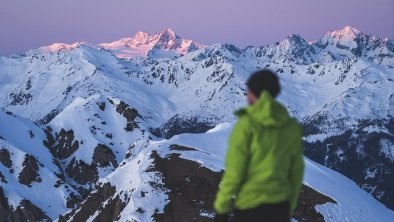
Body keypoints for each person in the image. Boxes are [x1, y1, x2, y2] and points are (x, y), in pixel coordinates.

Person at [213, 69, 304, 222]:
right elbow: (296, 173)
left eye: (248, 92)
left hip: (249, 209)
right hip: (280, 210)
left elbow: (235, 171)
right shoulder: (291, 127)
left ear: (253, 94)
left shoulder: (246, 125)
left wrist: (222, 207)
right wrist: (289, 207)